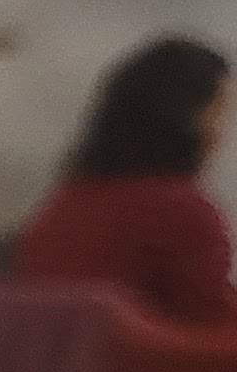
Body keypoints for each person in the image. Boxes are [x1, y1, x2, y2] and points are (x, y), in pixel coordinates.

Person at [12, 35, 237, 327]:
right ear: (188, 121)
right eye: (219, 112)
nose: (222, 134)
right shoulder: (184, 213)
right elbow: (213, 328)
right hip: (146, 356)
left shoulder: (68, 201)